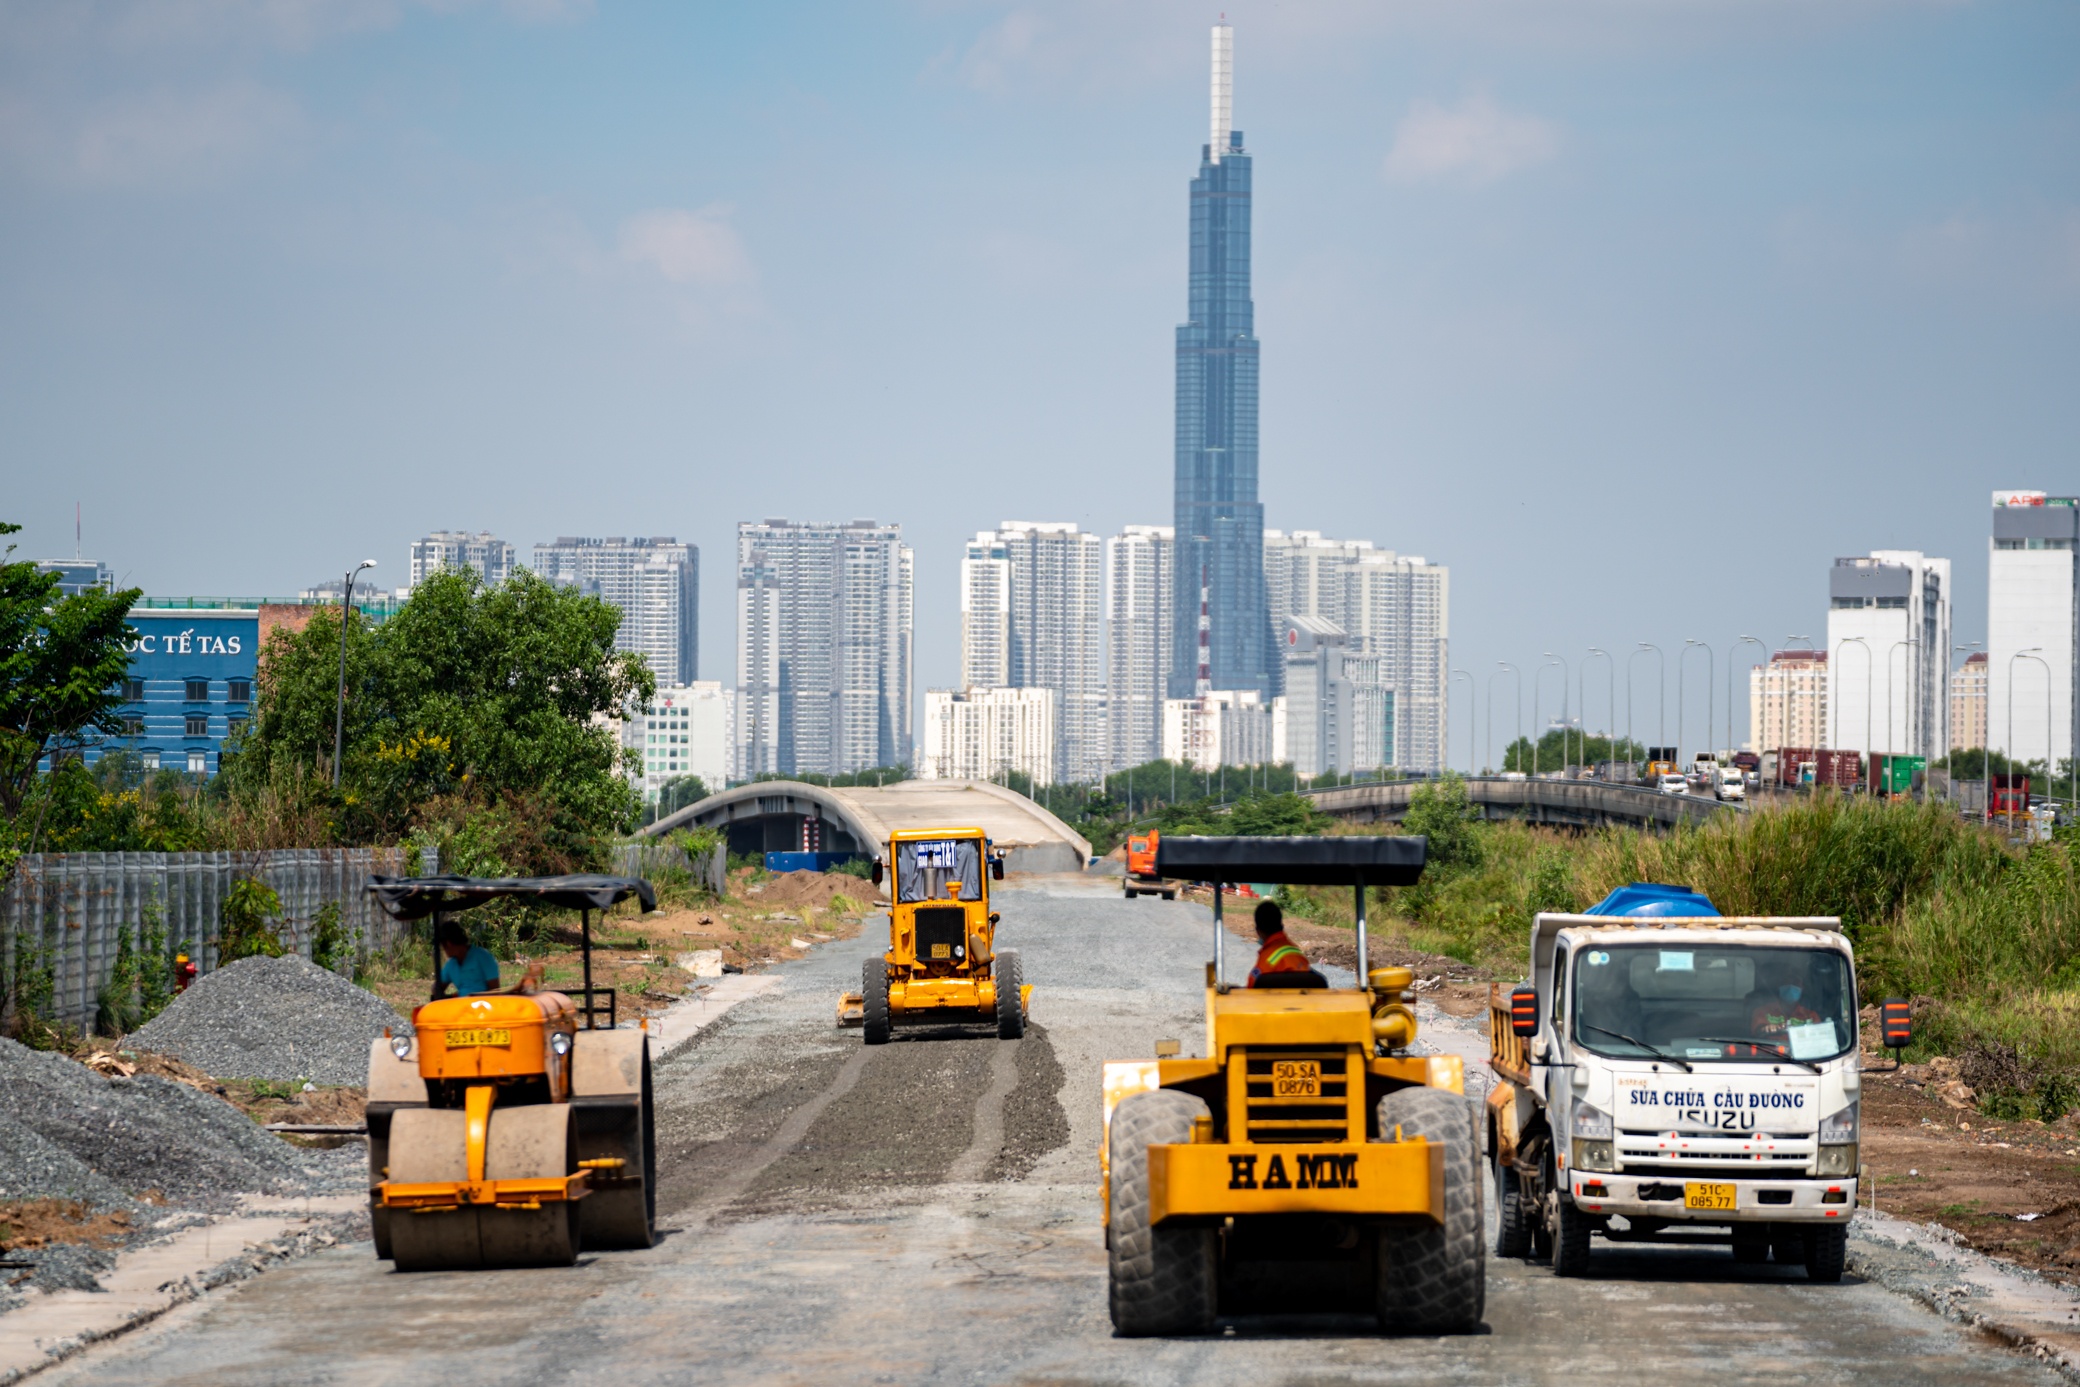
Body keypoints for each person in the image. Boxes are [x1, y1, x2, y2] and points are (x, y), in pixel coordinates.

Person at [1747, 956, 1823, 1039]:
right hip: (1770, 1051)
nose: (1791, 985)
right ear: (1780, 985)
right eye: (1787, 981)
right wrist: (1767, 1028)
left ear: (1802, 987)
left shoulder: (1811, 1016)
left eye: (1796, 982)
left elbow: (1818, 1041)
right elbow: (1758, 1032)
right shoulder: (1762, 1012)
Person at [1247, 900, 1313, 988]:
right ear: (1281, 926)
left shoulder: (1267, 960)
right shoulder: (1297, 953)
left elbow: (1251, 988)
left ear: (1259, 931)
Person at [432, 920, 501, 1000]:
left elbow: (495, 991)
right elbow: (438, 986)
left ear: (448, 943)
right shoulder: (451, 965)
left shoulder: (482, 956)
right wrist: (435, 989)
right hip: (462, 1008)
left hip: (483, 1007)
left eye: (443, 946)